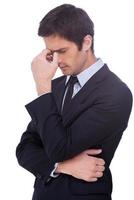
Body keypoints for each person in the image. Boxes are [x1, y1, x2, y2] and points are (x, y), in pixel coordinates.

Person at [16, 4, 133, 200]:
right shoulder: (57, 85)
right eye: (51, 53)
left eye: (62, 51)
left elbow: (60, 149)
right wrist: (61, 167)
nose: (56, 61)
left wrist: (42, 86)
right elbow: (25, 149)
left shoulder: (116, 93)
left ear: (86, 42)